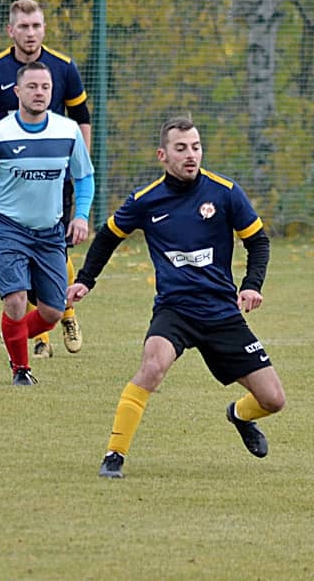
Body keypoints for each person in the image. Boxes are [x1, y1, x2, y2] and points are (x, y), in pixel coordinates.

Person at [66, 115, 285, 479]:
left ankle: (238, 415)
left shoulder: (225, 192)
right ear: (162, 155)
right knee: (152, 366)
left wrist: (251, 285)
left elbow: (258, 240)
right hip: (175, 310)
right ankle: (114, 454)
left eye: (195, 147)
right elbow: (108, 236)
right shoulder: (146, 200)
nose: (190, 155)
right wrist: (86, 279)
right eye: (181, 148)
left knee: (273, 400)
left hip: (221, 313)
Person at [0, 0, 92, 358]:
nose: (30, 33)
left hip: (55, 179)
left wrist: (79, 167)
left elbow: (82, 119)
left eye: (36, 26)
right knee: (20, 266)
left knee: (58, 250)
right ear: (11, 30)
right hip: (10, 178)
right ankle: (36, 339)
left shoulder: (63, 68)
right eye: (24, 26)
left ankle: (64, 313)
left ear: (44, 29)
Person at [0, 62, 95, 386]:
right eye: (31, 87)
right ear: (17, 92)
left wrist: (81, 215)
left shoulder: (67, 131)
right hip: (8, 228)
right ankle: (21, 369)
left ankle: (12, 334)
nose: (39, 92)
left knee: (53, 312)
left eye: (45, 87)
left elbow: (85, 177)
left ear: (52, 92)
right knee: (15, 300)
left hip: (50, 232)